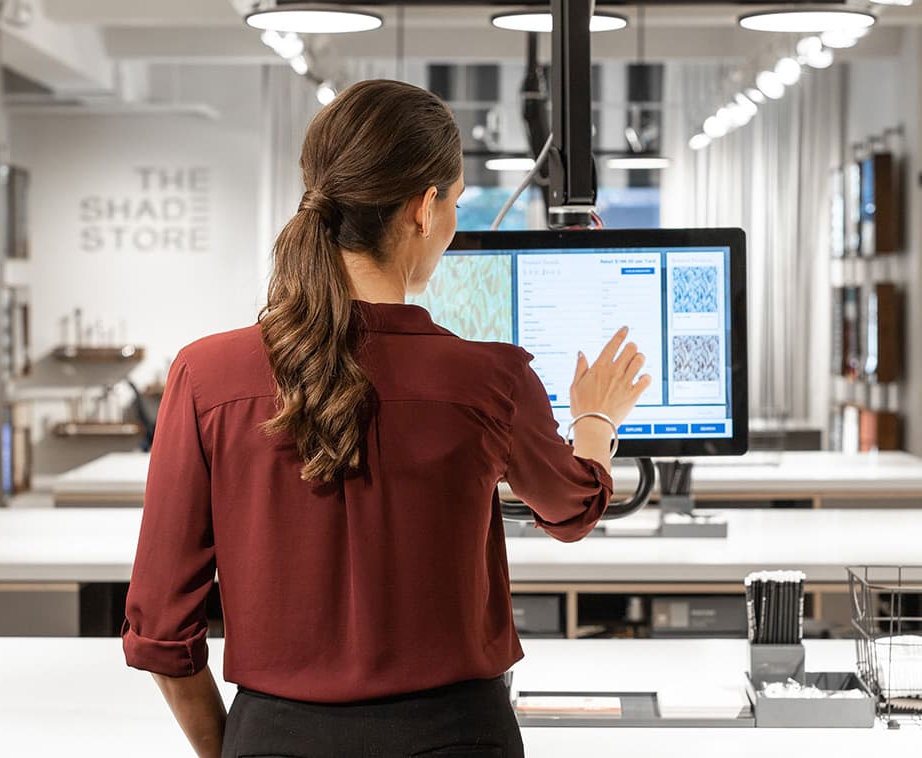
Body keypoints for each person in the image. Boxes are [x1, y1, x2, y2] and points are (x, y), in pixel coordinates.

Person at [121, 79, 650, 758]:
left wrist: (232, 749)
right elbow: (572, 510)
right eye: (456, 203)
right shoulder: (491, 378)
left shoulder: (203, 375)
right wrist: (596, 419)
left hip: (272, 735)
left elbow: (162, 633)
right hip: (456, 737)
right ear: (425, 209)